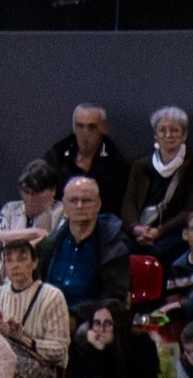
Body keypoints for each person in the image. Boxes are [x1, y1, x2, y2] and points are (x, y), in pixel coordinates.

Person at [0, 234, 70, 378]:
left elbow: (60, 351)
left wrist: (22, 338)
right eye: (9, 260)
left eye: (22, 259)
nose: (15, 265)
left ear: (34, 263)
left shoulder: (52, 296)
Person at [37, 176, 130, 314]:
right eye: (73, 200)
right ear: (64, 206)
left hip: (91, 320)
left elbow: (116, 300)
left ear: (98, 204)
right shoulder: (49, 246)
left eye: (86, 200)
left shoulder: (115, 247)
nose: (79, 206)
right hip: (49, 315)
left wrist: (76, 315)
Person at [122, 105, 191, 252]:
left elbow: (188, 210)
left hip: (174, 232)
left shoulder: (190, 166)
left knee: (159, 252)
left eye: (174, 130)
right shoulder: (140, 166)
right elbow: (129, 202)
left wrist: (159, 232)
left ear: (184, 135)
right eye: (162, 130)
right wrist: (136, 228)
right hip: (141, 230)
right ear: (155, 135)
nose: (168, 135)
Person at [44, 102, 130, 208]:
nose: (85, 133)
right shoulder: (57, 155)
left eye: (92, 127)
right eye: (80, 126)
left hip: (102, 214)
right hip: (63, 212)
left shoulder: (117, 161)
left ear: (103, 128)